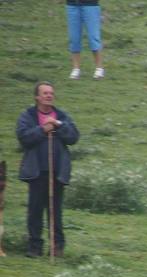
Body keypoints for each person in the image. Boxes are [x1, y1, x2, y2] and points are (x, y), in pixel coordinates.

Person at [16, 81, 79, 259]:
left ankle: (56, 247)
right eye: (45, 93)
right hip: (36, 171)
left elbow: (74, 137)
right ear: (37, 97)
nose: (49, 96)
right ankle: (34, 247)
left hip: (57, 171)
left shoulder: (61, 115)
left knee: (55, 211)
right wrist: (44, 129)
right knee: (35, 211)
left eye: (51, 93)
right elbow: (24, 138)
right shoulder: (27, 116)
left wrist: (58, 125)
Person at [66, 0, 104, 80]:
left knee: (93, 36)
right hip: (72, 4)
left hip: (90, 5)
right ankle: (76, 69)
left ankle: (99, 68)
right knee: (74, 38)